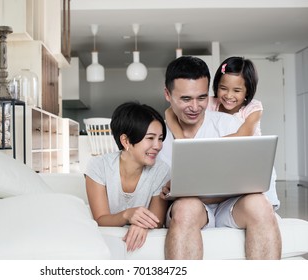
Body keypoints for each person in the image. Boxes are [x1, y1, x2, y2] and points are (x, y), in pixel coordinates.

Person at [159, 56, 281, 259]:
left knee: (260, 204)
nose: (195, 107)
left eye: (201, 97)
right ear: (167, 94)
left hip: (229, 206)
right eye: (186, 99)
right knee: (186, 207)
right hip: (191, 209)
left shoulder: (230, 124)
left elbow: (251, 177)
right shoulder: (156, 135)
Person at [164, 56, 280, 207]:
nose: (229, 96)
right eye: (223, 88)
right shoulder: (212, 102)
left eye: (237, 90)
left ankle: (269, 205)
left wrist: (203, 149)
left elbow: (241, 137)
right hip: (224, 158)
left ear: (247, 92)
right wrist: (184, 142)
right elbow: (169, 112)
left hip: (249, 152)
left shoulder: (253, 109)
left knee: (259, 195)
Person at [85, 101, 170, 252]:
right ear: (126, 141)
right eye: (150, 138)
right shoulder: (99, 166)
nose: (158, 146)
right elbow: (100, 219)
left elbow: (157, 221)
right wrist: (127, 215)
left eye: (160, 138)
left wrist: (141, 223)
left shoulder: (162, 171)